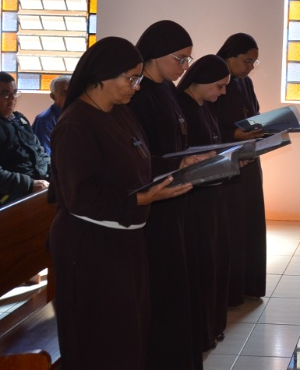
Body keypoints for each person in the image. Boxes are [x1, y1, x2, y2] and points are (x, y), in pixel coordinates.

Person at [49, 36, 193, 370]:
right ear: (101, 76)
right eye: (131, 78)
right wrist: (145, 198)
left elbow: (138, 164)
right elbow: (80, 196)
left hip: (123, 241)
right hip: (90, 249)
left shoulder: (119, 113)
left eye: (139, 78)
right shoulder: (75, 124)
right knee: (102, 338)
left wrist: (180, 166)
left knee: (129, 332)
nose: (137, 87)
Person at [127, 20, 204, 370]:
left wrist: (195, 158)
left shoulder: (167, 90)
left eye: (189, 60)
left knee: (178, 281)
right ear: (156, 55)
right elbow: (137, 156)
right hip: (153, 202)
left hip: (174, 195)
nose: (184, 68)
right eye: (181, 59)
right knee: (161, 285)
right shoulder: (137, 95)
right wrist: (176, 162)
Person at [174, 55, 233, 352]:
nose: (222, 93)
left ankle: (212, 325)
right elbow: (181, 157)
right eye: (220, 86)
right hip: (194, 199)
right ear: (203, 80)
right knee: (201, 262)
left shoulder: (204, 106)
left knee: (214, 260)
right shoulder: (180, 106)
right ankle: (201, 329)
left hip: (213, 193)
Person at [212, 33, 267, 304]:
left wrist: (263, 128)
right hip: (227, 161)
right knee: (233, 224)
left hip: (249, 160)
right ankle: (231, 290)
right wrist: (236, 135)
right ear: (230, 56)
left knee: (250, 221)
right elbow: (210, 125)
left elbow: (252, 114)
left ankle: (249, 284)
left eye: (254, 63)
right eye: (247, 61)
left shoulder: (245, 82)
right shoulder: (216, 80)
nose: (249, 67)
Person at [0, 72, 51, 208]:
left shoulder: (20, 120)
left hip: (38, 185)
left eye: (15, 93)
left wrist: (57, 173)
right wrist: (30, 184)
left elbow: (40, 154)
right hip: (9, 194)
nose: (12, 99)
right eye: (5, 94)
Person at [32, 75, 70, 155]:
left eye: (72, 91)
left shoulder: (75, 116)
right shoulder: (44, 120)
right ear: (53, 96)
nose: (70, 96)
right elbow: (46, 154)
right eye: (65, 92)